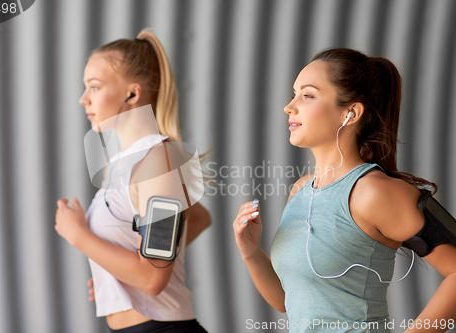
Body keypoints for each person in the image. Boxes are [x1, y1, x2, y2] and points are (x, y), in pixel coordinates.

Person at [233, 48, 456, 332]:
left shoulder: (373, 192)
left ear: (350, 113)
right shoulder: (301, 190)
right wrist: (251, 252)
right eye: (294, 93)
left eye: (308, 95)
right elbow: (288, 302)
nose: (289, 107)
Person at [55, 30, 210, 333]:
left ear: (132, 93)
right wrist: (119, 271)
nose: (83, 98)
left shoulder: (157, 162)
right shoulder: (129, 163)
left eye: (95, 87)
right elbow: (199, 217)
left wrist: (77, 234)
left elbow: (153, 277)